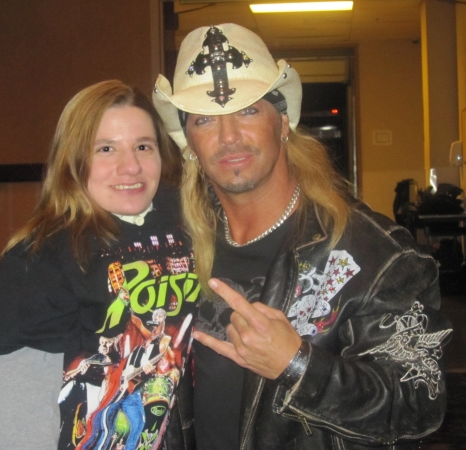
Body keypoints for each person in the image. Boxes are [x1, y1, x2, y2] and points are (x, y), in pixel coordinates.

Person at [152, 23, 453, 450]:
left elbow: (419, 402)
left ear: (282, 123)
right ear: (189, 143)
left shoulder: (377, 254)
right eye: (204, 119)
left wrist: (297, 366)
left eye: (248, 110)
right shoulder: (173, 244)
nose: (228, 136)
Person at [0, 80, 200, 450]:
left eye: (143, 147)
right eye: (106, 149)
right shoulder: (39, 260)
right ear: (74, 160)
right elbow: (14, 423)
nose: (130, 167)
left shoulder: (191, 226)